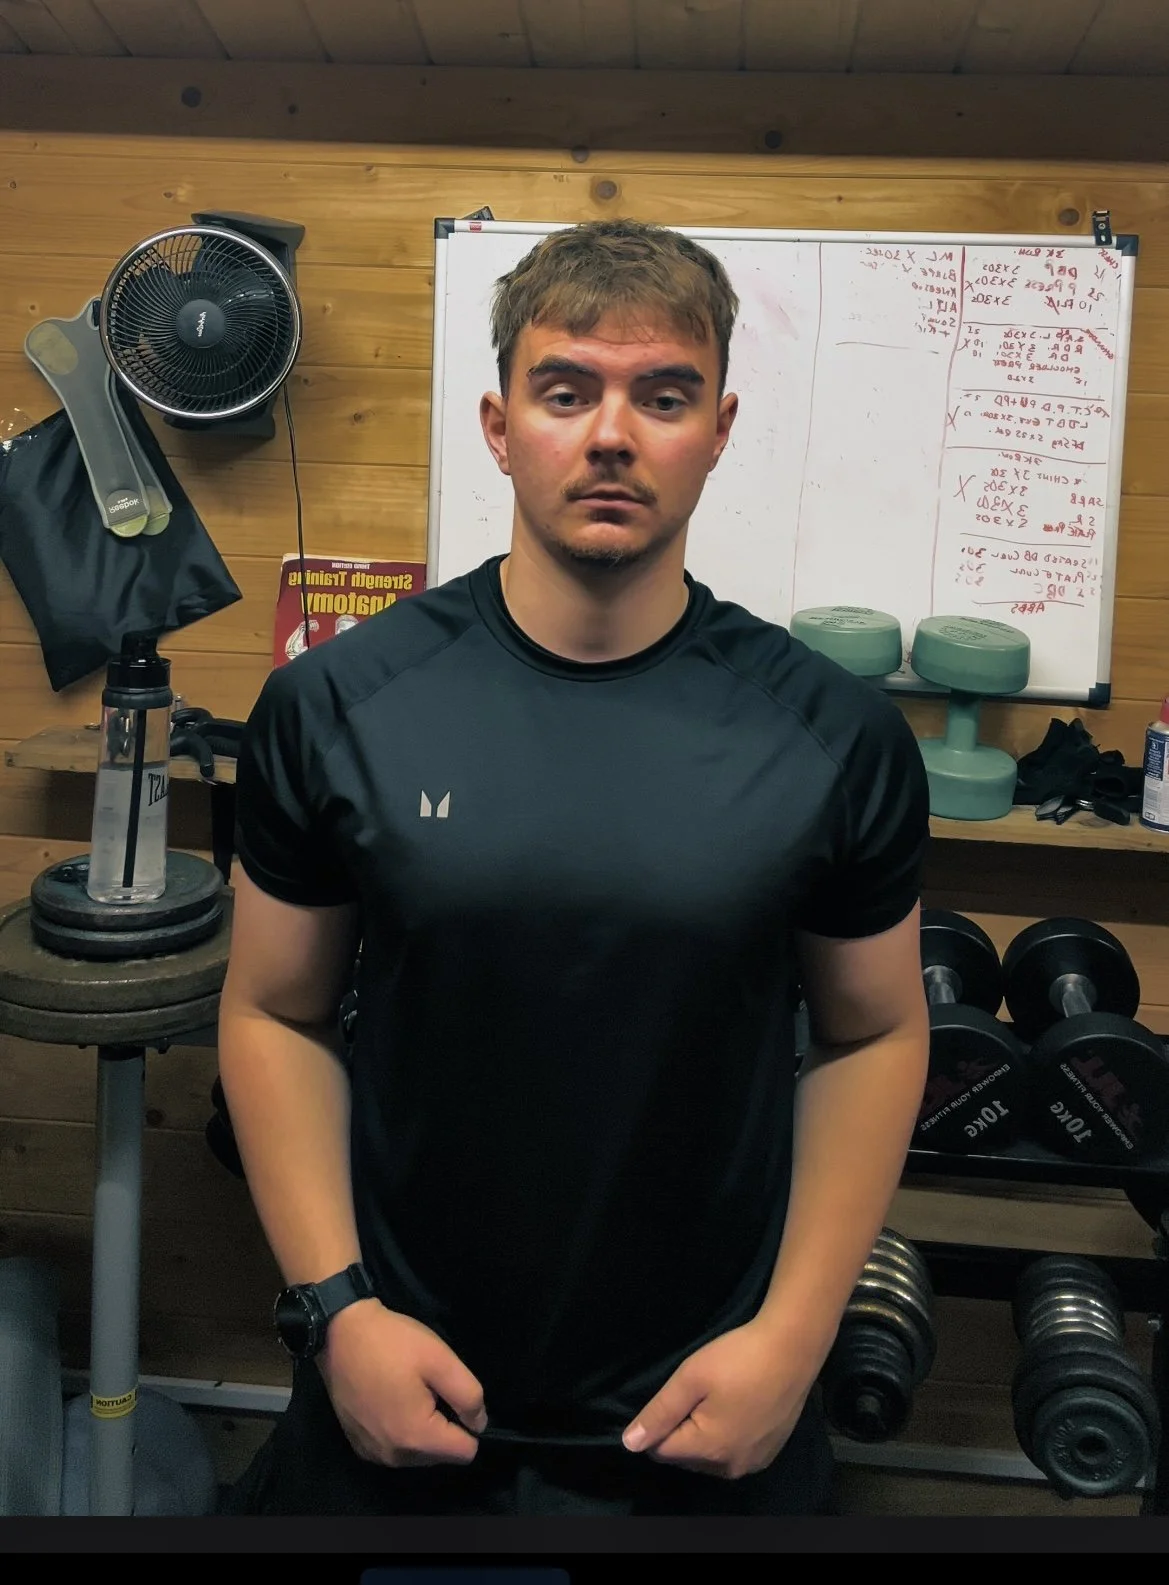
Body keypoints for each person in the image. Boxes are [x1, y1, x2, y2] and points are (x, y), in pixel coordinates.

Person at [218, 218, 931, 1518]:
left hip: (712, 1412)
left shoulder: (835, 738)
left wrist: (797, 1338)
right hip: (398, 1398)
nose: (613, 434)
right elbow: (274, 1010)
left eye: (661, 396)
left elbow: (875, 1036)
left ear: (718, 428)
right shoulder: (337, 708)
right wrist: (336, 1311)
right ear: (500, 426)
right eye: (566, 391)